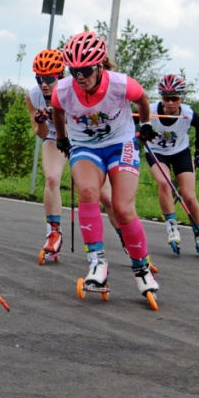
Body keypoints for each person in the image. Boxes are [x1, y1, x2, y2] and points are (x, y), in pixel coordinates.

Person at [51, 31, 159, 303]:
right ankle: (97, 263)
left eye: (85, 70)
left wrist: (144, 125)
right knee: (88, 191)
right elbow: (57, 110)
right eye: (73, 70)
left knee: (122, 208)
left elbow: (143, 99)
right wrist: (62, 138)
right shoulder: (63, 90)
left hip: (120, 143)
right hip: (85, 146)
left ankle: (141, 268)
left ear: (99, 66)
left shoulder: (121, 84)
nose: (79, 77)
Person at [144, 74, 199, 255]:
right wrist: (141, 133)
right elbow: (130, 124)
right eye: (166, 98)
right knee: (164, 182)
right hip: (157, 153)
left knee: (189, 196)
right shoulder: (150, 111)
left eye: (174, 98)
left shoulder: (188, 114)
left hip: (180, 152)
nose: (170, 103)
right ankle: (172, 227)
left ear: (180, 97)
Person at [26, 49, 67, 260]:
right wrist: (42, 122)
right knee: (51, 178)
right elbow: (40, 133)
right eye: (39, 78)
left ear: (59, 76)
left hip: (78, 137)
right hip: (53, 137)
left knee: (104, 194)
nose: (43, 83)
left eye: (49, 79)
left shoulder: (73, 92)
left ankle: (131, 245)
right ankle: (53, 232)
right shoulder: (34, 95)